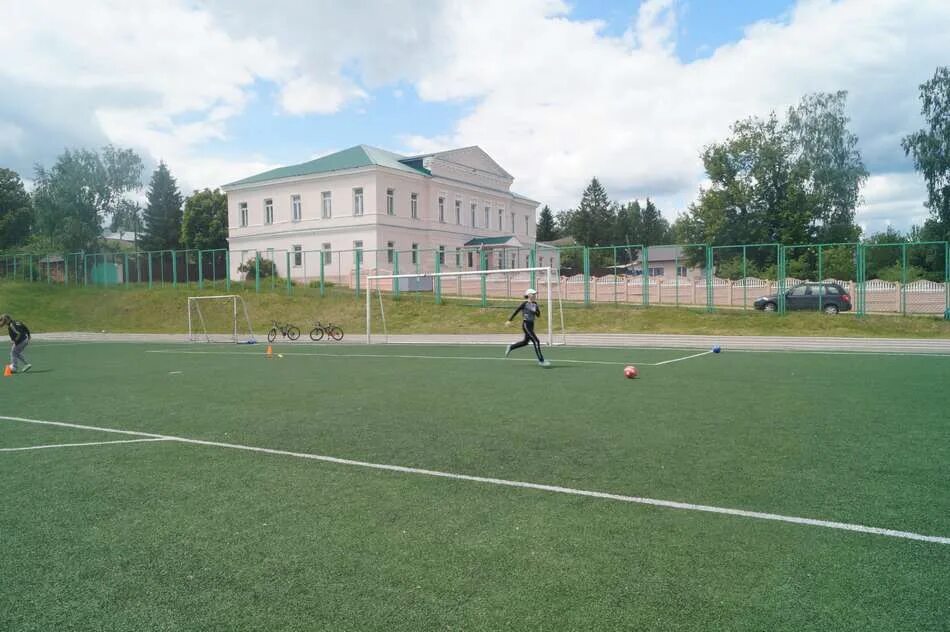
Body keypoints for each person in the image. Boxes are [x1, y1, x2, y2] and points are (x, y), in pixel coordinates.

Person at [505, 289, 550, 366]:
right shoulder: (525, 304)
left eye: (535, 294)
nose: (535, 295)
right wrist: (509, 320)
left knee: (525, 342)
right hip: (526, 324)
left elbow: (538, 315)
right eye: (533, 294)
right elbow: (516, 311)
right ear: (529, 295)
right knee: (536, 341)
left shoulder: (535, 304)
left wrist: (535, 311)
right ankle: (541, 361)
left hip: (531, 324)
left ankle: (511, 347)